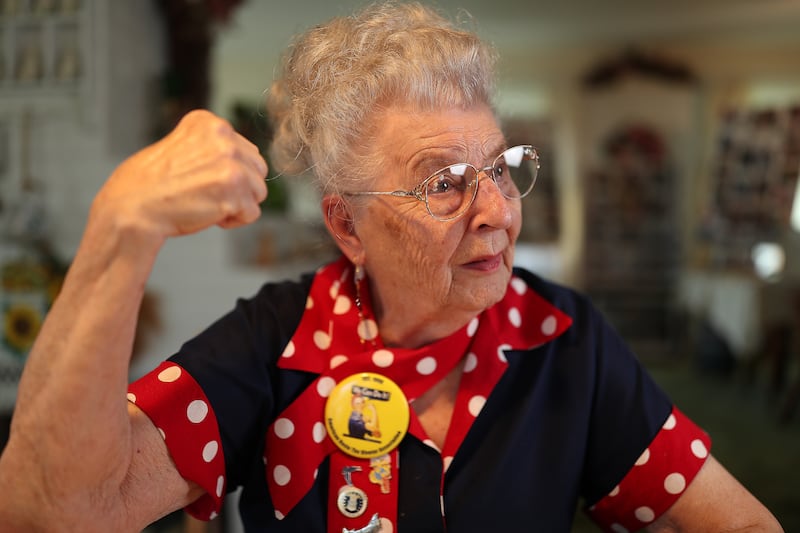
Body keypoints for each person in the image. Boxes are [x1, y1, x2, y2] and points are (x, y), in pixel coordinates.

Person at [0, 2, 784, 532]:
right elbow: (53, 511)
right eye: (443, 182)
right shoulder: (272, 345)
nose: (499, 212)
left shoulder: (563, 340)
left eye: (500, 167)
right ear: (347, 224)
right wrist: (119, 228)